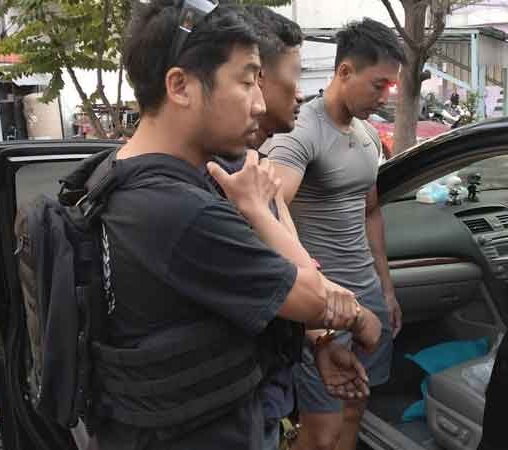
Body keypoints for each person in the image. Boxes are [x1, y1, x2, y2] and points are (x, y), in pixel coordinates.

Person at [89, 2, 382, 449]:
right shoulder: (181, 211)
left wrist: (321, 342)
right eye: (246, 82)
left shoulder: (117, 173)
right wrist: (360, 319)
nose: (259, 103)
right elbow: (310, 296)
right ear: (180, 86)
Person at [214, 6, 375, 449]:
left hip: (259, 399)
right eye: (296, 75)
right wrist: (356, 316)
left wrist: (321, 340)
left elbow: (294, 254)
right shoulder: (224, 183)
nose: (301, 93)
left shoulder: (253, 169)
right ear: (257, 78)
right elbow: (301, 287)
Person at [261, 18, 406, 450]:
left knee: (356, 408)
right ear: (344, 71)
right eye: (378, 85)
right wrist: (312, 311)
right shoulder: (301, 132)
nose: (384, 97)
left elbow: (371, 213)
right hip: (322, 307)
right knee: (321, 435)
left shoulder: (368, 136)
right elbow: (267, 216)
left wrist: (386, 288)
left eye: (390, 87)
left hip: (367, 296)